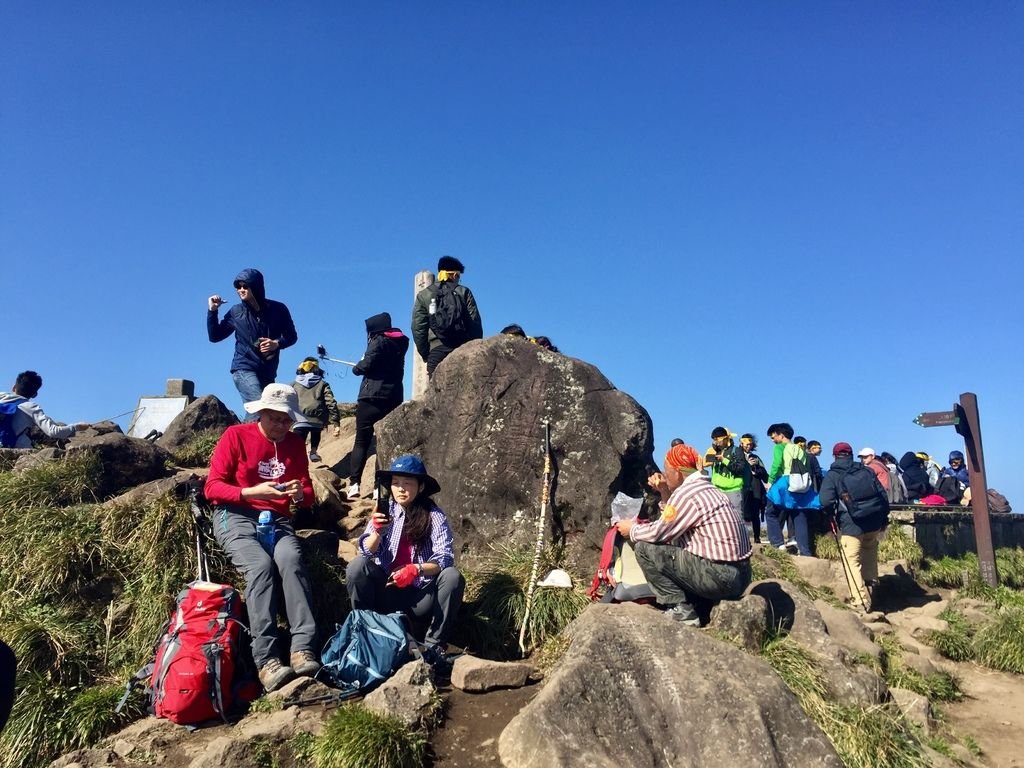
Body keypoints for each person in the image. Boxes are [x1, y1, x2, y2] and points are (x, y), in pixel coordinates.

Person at [204, 383, 318, 692]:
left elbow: (308, 495)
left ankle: (302, 648)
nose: (281, 425)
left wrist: (299, 494)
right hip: (235, 513)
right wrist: (250, 492)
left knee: (291, 560)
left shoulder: (295, 444)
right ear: (260, 413)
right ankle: (266, 660)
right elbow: (212, 487)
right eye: (274, 418)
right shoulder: (236, 436)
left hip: (278, 518)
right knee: (260, 568)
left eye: (286, 420)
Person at [346, 455, 465, 667]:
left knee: (452, 577)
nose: (401, 489)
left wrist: (415, 569)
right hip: (387, 591)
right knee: (356, 567)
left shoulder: (434, 515)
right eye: (395, 483)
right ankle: (365, 631)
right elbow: (365, 552)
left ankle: (434, 646)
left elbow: (445, 558)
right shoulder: (385, 512)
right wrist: (377, 533)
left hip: (420, 596)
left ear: (420, 487)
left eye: (407, 483)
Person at [617, 444, 752, 626]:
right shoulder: (710, 489)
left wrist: (631, 530)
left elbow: (661, 532)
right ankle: (698, 603)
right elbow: (672, 520)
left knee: (643, 548)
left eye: (666, 471)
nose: (664, 476)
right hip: (741, 576)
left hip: (719, 577)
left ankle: (680, 610)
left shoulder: (687, 494)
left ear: (678, 473)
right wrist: (664, 491)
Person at [207, 268, 298, 418]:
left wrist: (277, 343)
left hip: (268, 371)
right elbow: (215, 336)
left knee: (266, 411)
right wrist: (212, 311)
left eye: (245, 286)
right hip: (243, 367)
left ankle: (246, 439)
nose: (241, 290)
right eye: (238, 287)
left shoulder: (279, 309)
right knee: (259, 407)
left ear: (256, 286)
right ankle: (244, 440)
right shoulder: (236, 312)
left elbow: (292, 336)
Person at [819, 442, 889, 611]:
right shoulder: (866, 470)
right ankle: (872, 585)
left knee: (852, 560)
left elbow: (825, 500)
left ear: (835, 456)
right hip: (873, 521)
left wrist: (830, 514)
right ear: (851, 454)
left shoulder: (833, 475)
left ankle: (859, 601)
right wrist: (883, 518)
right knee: (869, 551)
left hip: (852, 524)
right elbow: (882, 494)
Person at [347, 313, 409, 500]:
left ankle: (354, 485)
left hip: (370, 398)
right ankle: (378, 488)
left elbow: (363, 367)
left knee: (362, 442)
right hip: (392, 398)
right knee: (383, 444)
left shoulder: (378, 341)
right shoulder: (402, 342)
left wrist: (356, 366)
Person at [411, 256, 483, 377]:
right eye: (459, 277)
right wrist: (473, 347)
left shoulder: (424, 295)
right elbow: (474, 322)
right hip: (461, 349)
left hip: (436, 351)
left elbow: (418, 328)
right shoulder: (464, 292)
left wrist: (425, 353)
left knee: (437, 393)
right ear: (454, 275)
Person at [766, 423, 820, 555]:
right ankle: (805, 551)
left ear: (781, 435)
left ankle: (777, 543)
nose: (773, 440)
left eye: (774, 437)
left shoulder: (780, 447)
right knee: (799, 514)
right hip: (801, 485)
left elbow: (777, 464)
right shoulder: (800, 449)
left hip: (785, 481)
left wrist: (770, 481)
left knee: (771, 511)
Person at [0, 371, 88, 448]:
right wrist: (78, 426)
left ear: (14, 387)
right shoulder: (31, 407)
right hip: (15, 449)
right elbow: (53, 432)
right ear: (34, 395)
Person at [291, 358, 340, 463]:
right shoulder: (323, 384)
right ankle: (313, 452)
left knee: (297, 443)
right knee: (315, 432)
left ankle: (298, 460)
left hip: (299, 419)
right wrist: (336, 421)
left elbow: (286, 399)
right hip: (317, 418)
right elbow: (330, 402)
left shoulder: (293, 384)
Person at [704, 427, 750, 522]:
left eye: (717, 439)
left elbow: (740, 468)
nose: (716, 442)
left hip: (733, 490)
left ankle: (740, 536)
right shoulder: (715, 451)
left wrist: (724, 460)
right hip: (717, 491)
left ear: (725, 438)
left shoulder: (736, 451)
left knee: (737, 518)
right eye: (714, 440)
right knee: (718, 518)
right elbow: (705, 463)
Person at [740, 433, 769, 544]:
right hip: (742, 486)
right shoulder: (737, 455)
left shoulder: (756, 458)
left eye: (750, 444)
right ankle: (742, 537)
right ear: (741, 444)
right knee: (742, 511)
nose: (748, 446)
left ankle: (757, 537)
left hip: (756, 486)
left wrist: (757, 470)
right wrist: (746, 465)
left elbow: (765, 475)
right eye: (746, 444)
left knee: (755, 512)